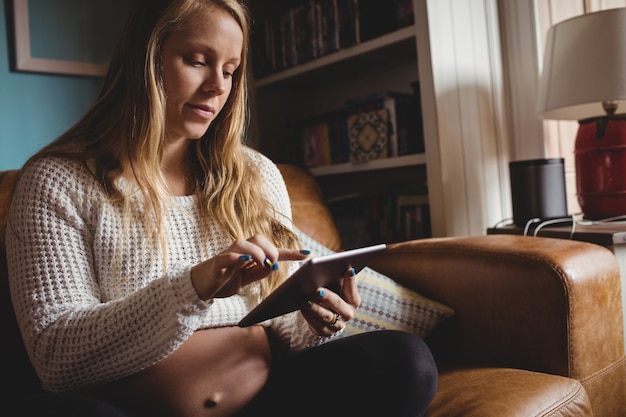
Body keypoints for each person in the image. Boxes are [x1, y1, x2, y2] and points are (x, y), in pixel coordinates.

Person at [6, 0, 438, 416]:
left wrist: (315, 321)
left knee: (405, 362)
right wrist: (192, 287)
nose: (218, 87)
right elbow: (56, 356)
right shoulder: (57, 180)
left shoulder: (256, 175)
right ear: (146, 58)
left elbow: (282, 329)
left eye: (230, 71)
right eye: (197, 61)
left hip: (270, 400)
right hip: (126, 408)